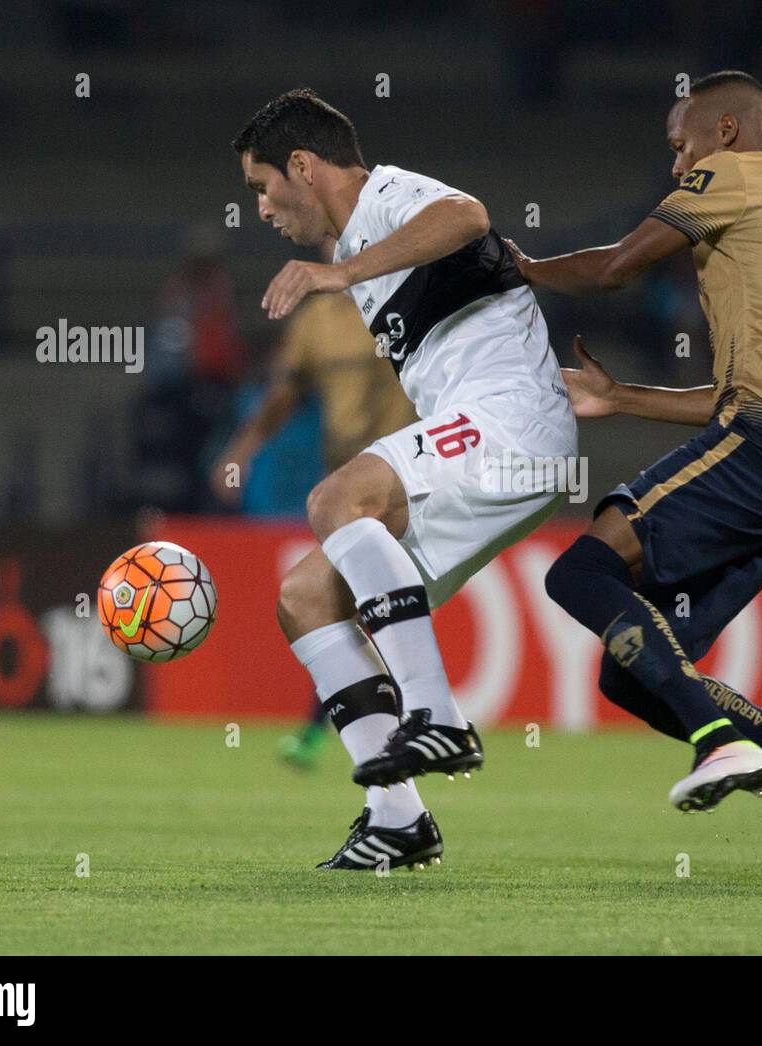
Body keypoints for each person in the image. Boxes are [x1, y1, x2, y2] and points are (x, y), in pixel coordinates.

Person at [508, 70, 762, 884]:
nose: (676, 160)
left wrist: (527, 269)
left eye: (680, 142)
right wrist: (623, 397)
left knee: (580, 570)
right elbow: (743, 389)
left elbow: (621, 266)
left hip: (760, 450)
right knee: (639, 674)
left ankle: (720, 744)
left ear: (725, 131)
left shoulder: (731, 175)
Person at [234, 89, 577, 870]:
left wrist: (340, 271)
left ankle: (438, 714)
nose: (260, 210)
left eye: (261, 187)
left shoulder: (387, 197)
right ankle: (397, 819)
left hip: (508, 422)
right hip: (502, 434)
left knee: (334, 499)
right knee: (305, 596)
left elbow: (467, 216)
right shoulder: (362, 256)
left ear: (303, 165)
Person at [211, 294, 418, 769]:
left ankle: (399, 726)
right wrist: (243, 446)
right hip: (345, 481)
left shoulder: (406, 292)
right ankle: (403, 725)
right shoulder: (317, 319)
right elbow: (286, 391)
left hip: (409, 472)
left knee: (349, 599)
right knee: (348, 602)